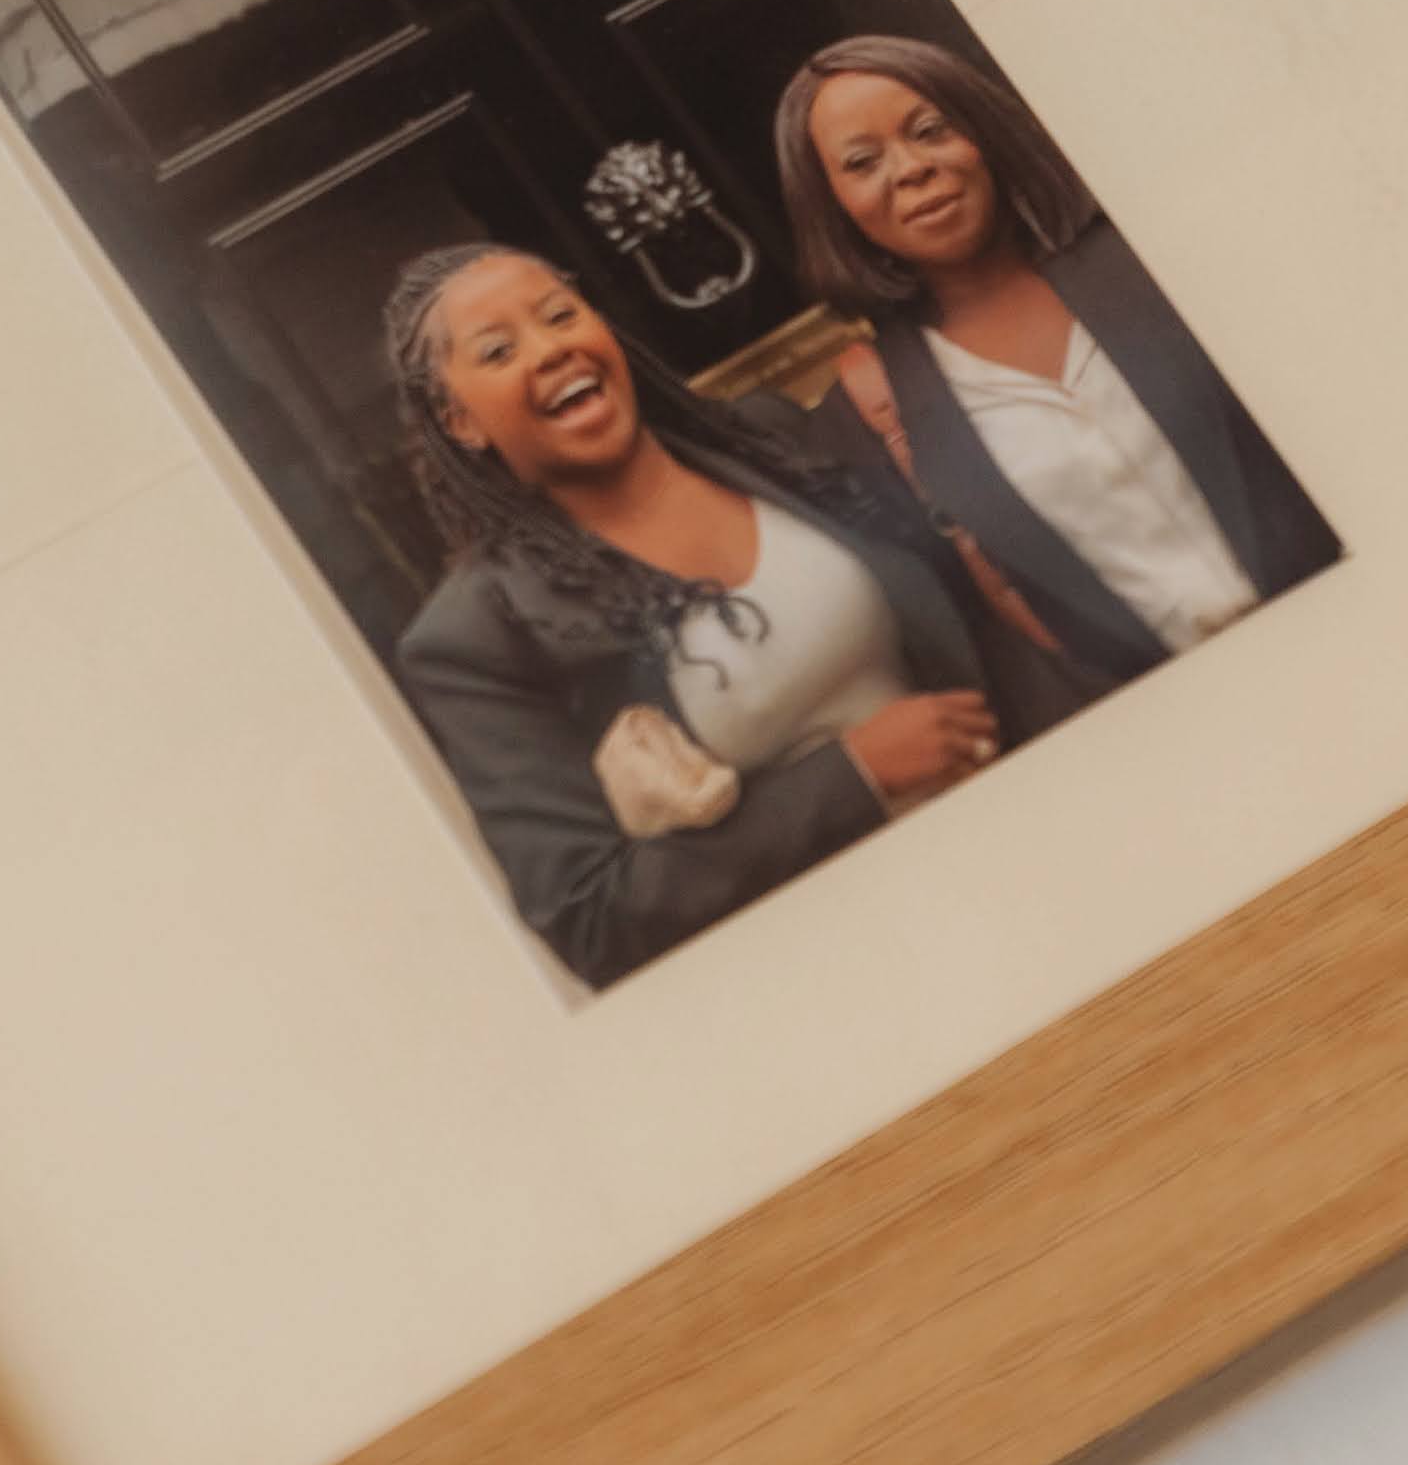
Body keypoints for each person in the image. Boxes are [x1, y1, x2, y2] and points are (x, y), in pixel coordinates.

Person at [386, 240, 1002, 989]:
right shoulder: (481, 636)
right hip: (836, 969)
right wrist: (855, 778)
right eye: (498, 350)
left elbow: (971, 610)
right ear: (460, 421)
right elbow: (591, 916)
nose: (550, 349)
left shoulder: (765, 440)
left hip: (1005, 838)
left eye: (559, 314)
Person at [771, 36, 1338, 704]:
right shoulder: (873, 418)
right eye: (863, 162)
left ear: (982, 132)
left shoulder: (1156, 257)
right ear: (832, 204)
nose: (912, 168)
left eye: (930, 130)